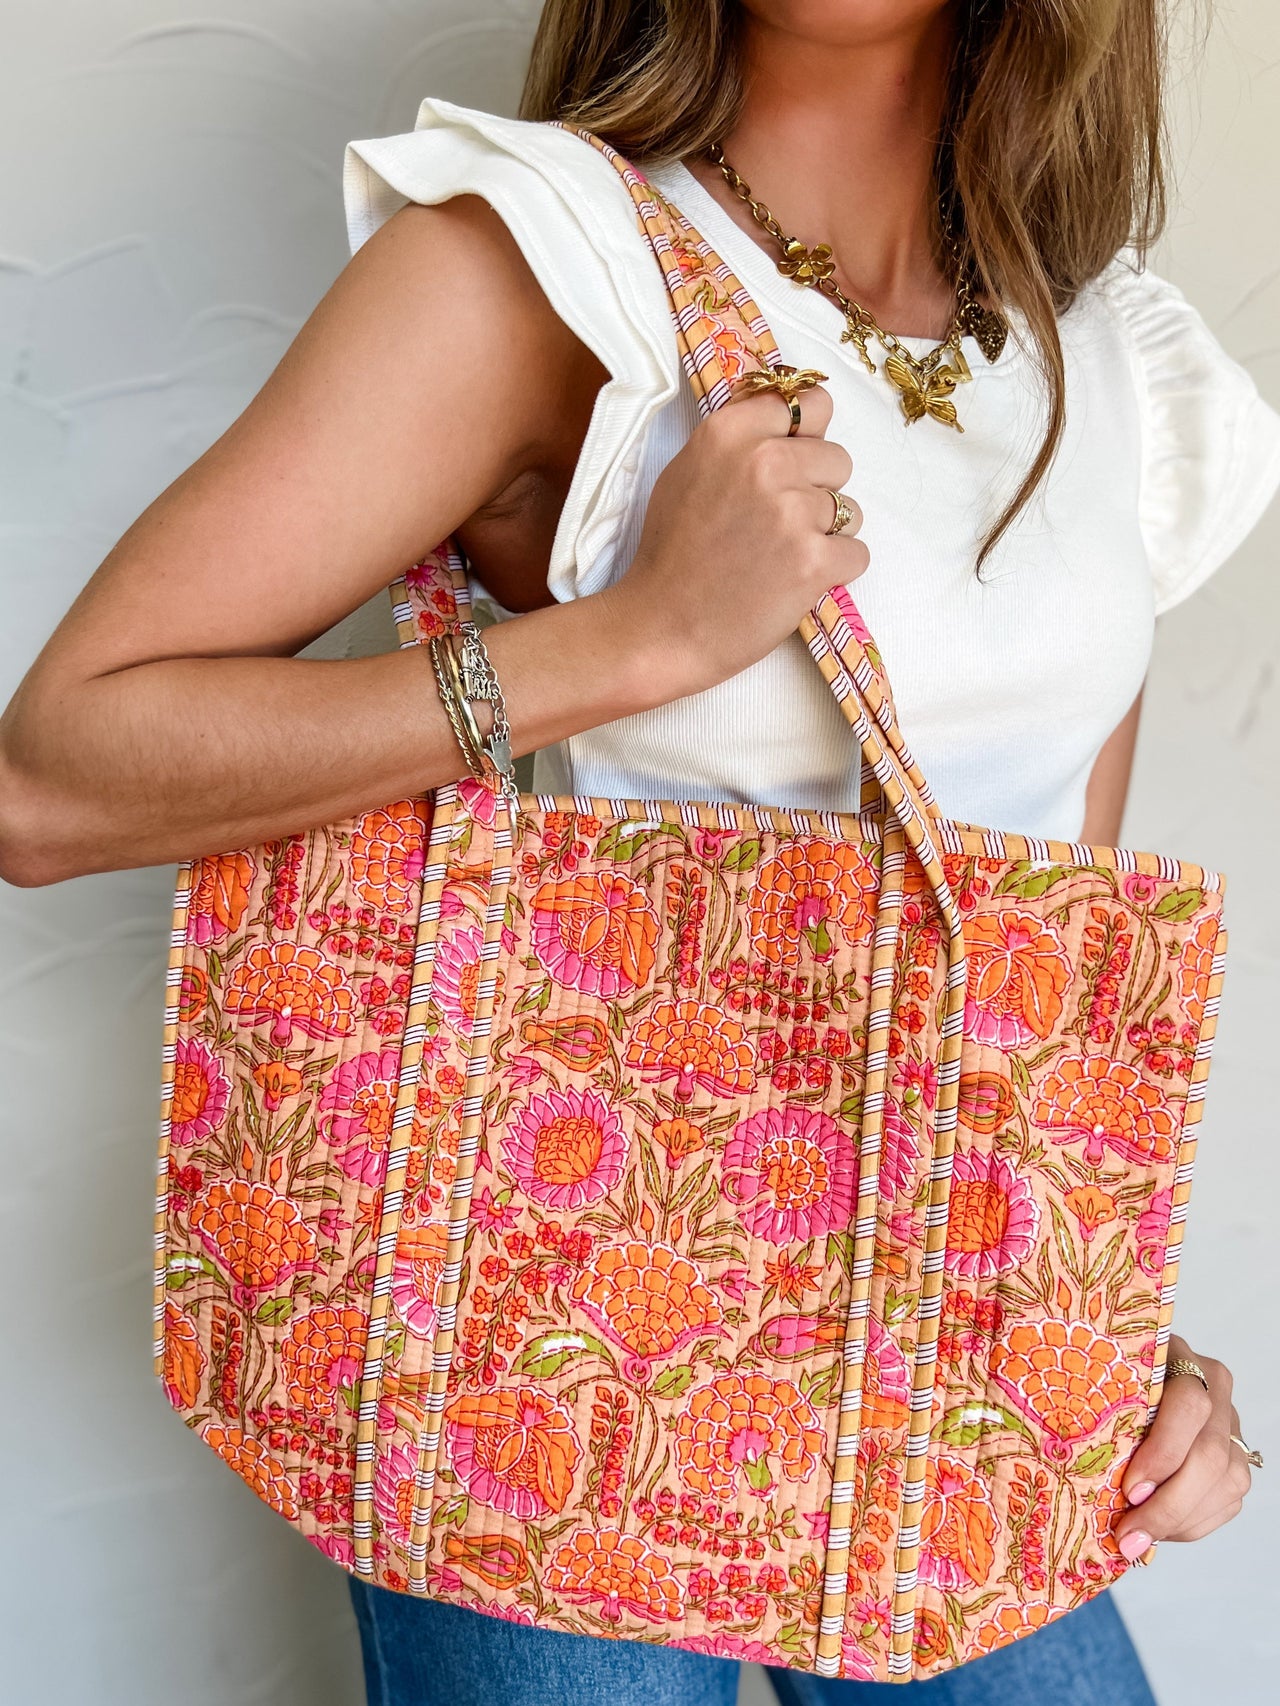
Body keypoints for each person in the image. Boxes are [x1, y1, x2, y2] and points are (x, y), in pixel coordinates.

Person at [1, 1, 1275, 1702]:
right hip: (559, 1352)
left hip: (951, 1383)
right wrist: (630, 642)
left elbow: (1011, 991)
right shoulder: (543, 262)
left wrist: (1113, 1336)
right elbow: (51, 777)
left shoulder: (1102, 359)